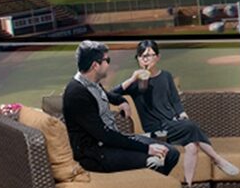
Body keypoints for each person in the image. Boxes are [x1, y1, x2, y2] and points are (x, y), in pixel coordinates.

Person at [116, 39, 239, 187]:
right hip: (155, 128)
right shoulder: (135, 82)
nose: (146, 59)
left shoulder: (166, 76)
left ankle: (188, 185)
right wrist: (132, 79)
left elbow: (175, 100)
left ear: (158, 57)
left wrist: (181, 113)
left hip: (172, 123)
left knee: (192, 145)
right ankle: (216, 158)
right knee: (191, 127)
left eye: (150, 55)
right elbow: (111, 94)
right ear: (138, 59)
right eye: (142, 56)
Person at [62, 40, 179, 176]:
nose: (109, 65)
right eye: (107, 60)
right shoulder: (76, 94)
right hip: (96, 153)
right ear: (95, 65)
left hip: (111, 142)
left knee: (171, 152)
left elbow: (107, 95)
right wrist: (147, 148)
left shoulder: (92, 83)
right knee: (156, 160)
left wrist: (121, 101)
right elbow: (104, 135)